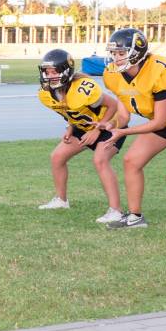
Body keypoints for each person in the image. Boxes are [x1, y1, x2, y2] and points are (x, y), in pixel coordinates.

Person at [102, 28, 166, 244]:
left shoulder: (159, 69)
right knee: (132, 160)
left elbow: (158, 122)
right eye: (114, 53)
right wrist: (112, 124)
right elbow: (123, 115)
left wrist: (123, 132)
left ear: (137, 52)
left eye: (121, 53)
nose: (116, 58)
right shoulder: (112, 75)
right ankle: (135, 217)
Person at [36, 49, 128, 224]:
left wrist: (97, 130)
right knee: (57, 157)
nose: (49, 76)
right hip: (83, 127)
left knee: (100, 160)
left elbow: (113, 105)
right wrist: (70, 127)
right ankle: (61, 201)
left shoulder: (82, 88)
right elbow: (71, 111)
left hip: (109, 125)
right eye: (46, 72)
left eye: (54, 72)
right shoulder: (46, 93)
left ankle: (116, 211)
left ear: (66, 71)